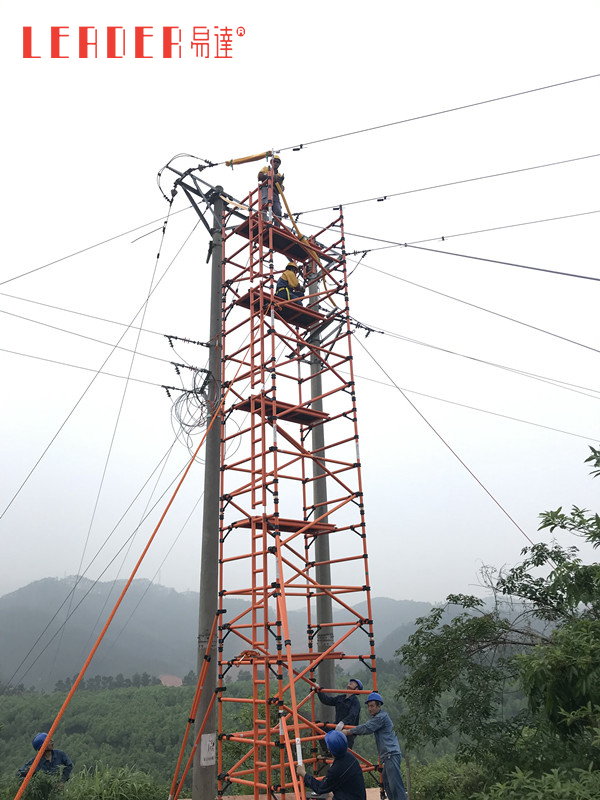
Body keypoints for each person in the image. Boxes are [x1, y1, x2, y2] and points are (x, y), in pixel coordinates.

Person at [341, 692, 407, 800]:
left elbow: (367, 728)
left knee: (395, 786)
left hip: (391, 755)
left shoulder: (381, 717)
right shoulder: (379, 717)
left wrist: (348, 732)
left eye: (372, 706)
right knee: (387, 785)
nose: (369, 709)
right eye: (368, 706)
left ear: (378, 706)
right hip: (388, 756)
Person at [296, 730, 366, 800]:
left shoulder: (335, 770)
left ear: (329, 749)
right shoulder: (350, 757)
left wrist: (304, 774)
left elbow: (320, 788)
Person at [315, 678, 362, 750]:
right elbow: (327, 700)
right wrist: (318, 691)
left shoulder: (355, 702)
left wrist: (343, 722)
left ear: (357, 689)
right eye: (351, 682)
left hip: (348, 730)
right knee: (320, 729)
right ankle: (327, 751)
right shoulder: (341, 698)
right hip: (336, 726)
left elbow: (353, 715)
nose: (351, 682)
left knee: (345, 751)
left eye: (354, 683)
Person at [258, 155, 284, 221]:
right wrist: (269, 176)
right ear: (271, 162)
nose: (275, 163)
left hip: (274, 193)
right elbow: (260, 176)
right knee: (265, 204)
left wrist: (281, 186)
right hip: (266, 189)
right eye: (274, 161)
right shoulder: (266, 169)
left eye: (277, 162)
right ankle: (263, 221)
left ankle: (276, 226)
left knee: (278, 211)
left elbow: (280, 189)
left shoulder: (279, 175)